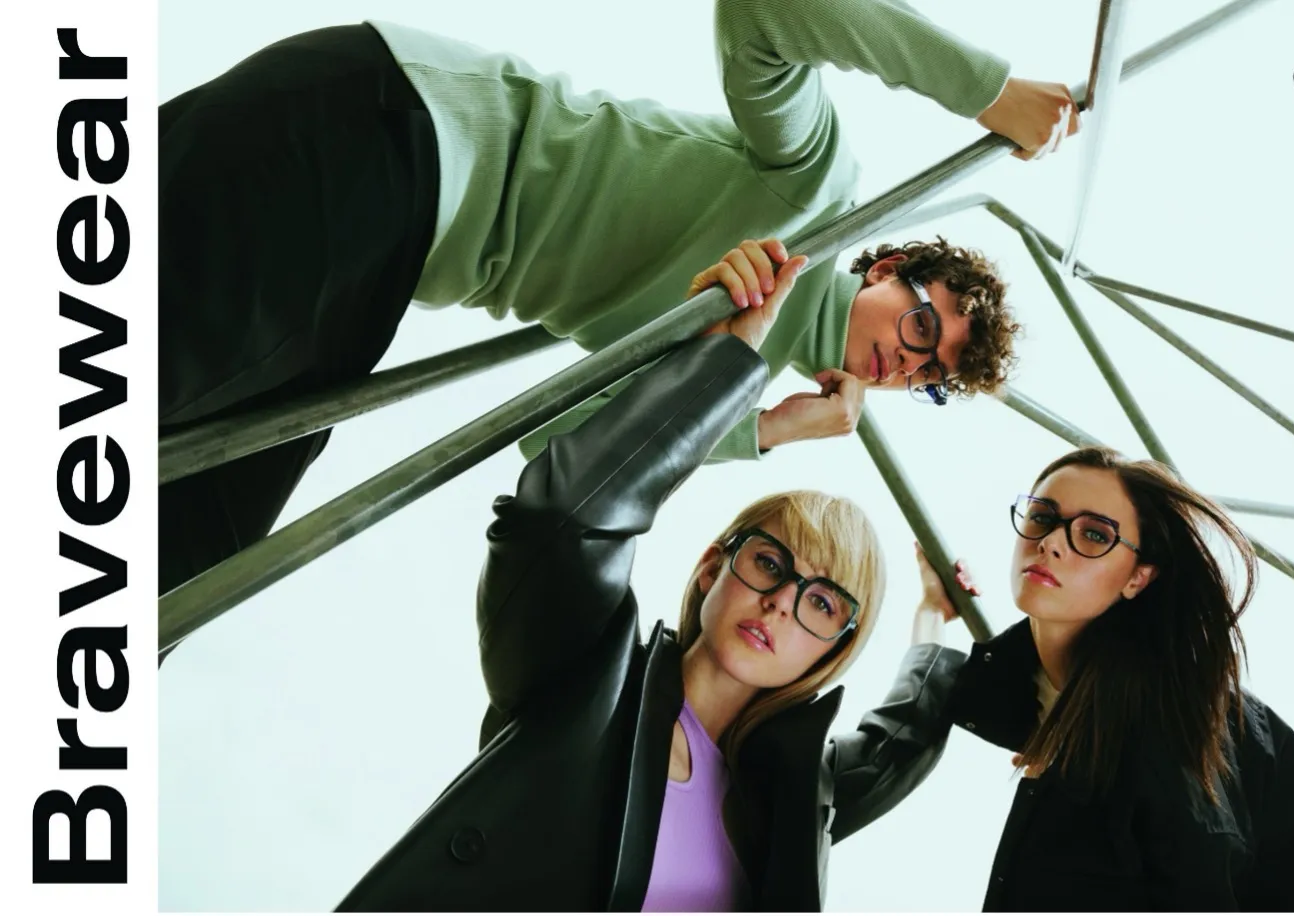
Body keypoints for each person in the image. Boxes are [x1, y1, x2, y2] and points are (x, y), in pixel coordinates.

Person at [158, 1, 1079, 647]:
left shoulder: (735, 364)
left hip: (381, 263)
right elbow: (768, 11)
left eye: (932, 378)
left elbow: (558, 448)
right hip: (387, 127)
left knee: (189, 555)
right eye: (924, 327)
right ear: (887, 268)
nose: (907, 364)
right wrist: (988, 92)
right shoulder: (818, 199)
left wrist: (760, 426)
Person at [332, 238, 969, 912]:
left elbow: (899, 744)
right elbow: (565, 516)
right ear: (709, 568)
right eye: (768, 564)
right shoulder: (589, 674)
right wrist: (720, 369)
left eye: (821, 603)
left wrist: (933, 617)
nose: (782, 603)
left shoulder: (787, 797)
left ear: (838, 645)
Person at [908, 446, 1294, 911]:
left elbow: (1197, 875)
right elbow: (915, 710)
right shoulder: (1025, 689)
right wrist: (931, 611)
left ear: (1138, 578)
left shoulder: (1178, 717)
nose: (1052, 543)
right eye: (1042, 517)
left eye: (1095, 534)